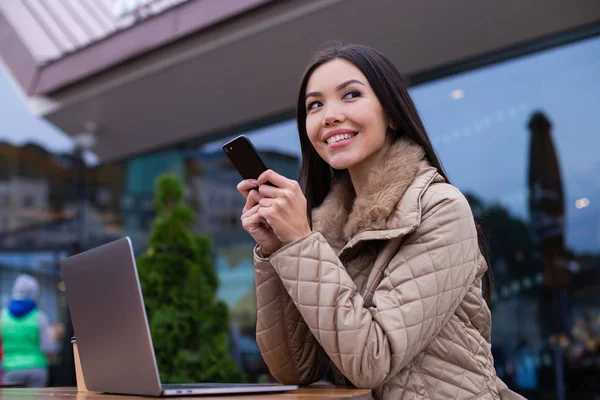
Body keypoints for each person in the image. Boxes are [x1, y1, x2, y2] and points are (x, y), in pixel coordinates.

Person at [237, 43, 524, 399]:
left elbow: (371, 361)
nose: (329, 115)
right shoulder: (325, 234)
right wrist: (277, 248)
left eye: (351, 95)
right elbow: (294, 367)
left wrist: (299, 242)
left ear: (391, 114)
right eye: (315, 105)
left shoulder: (440, 209)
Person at [1, 274, 55, 387]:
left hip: (11, 369)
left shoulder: (3, 316)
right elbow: (48, 348)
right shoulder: (40, 317)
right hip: (36, 369)